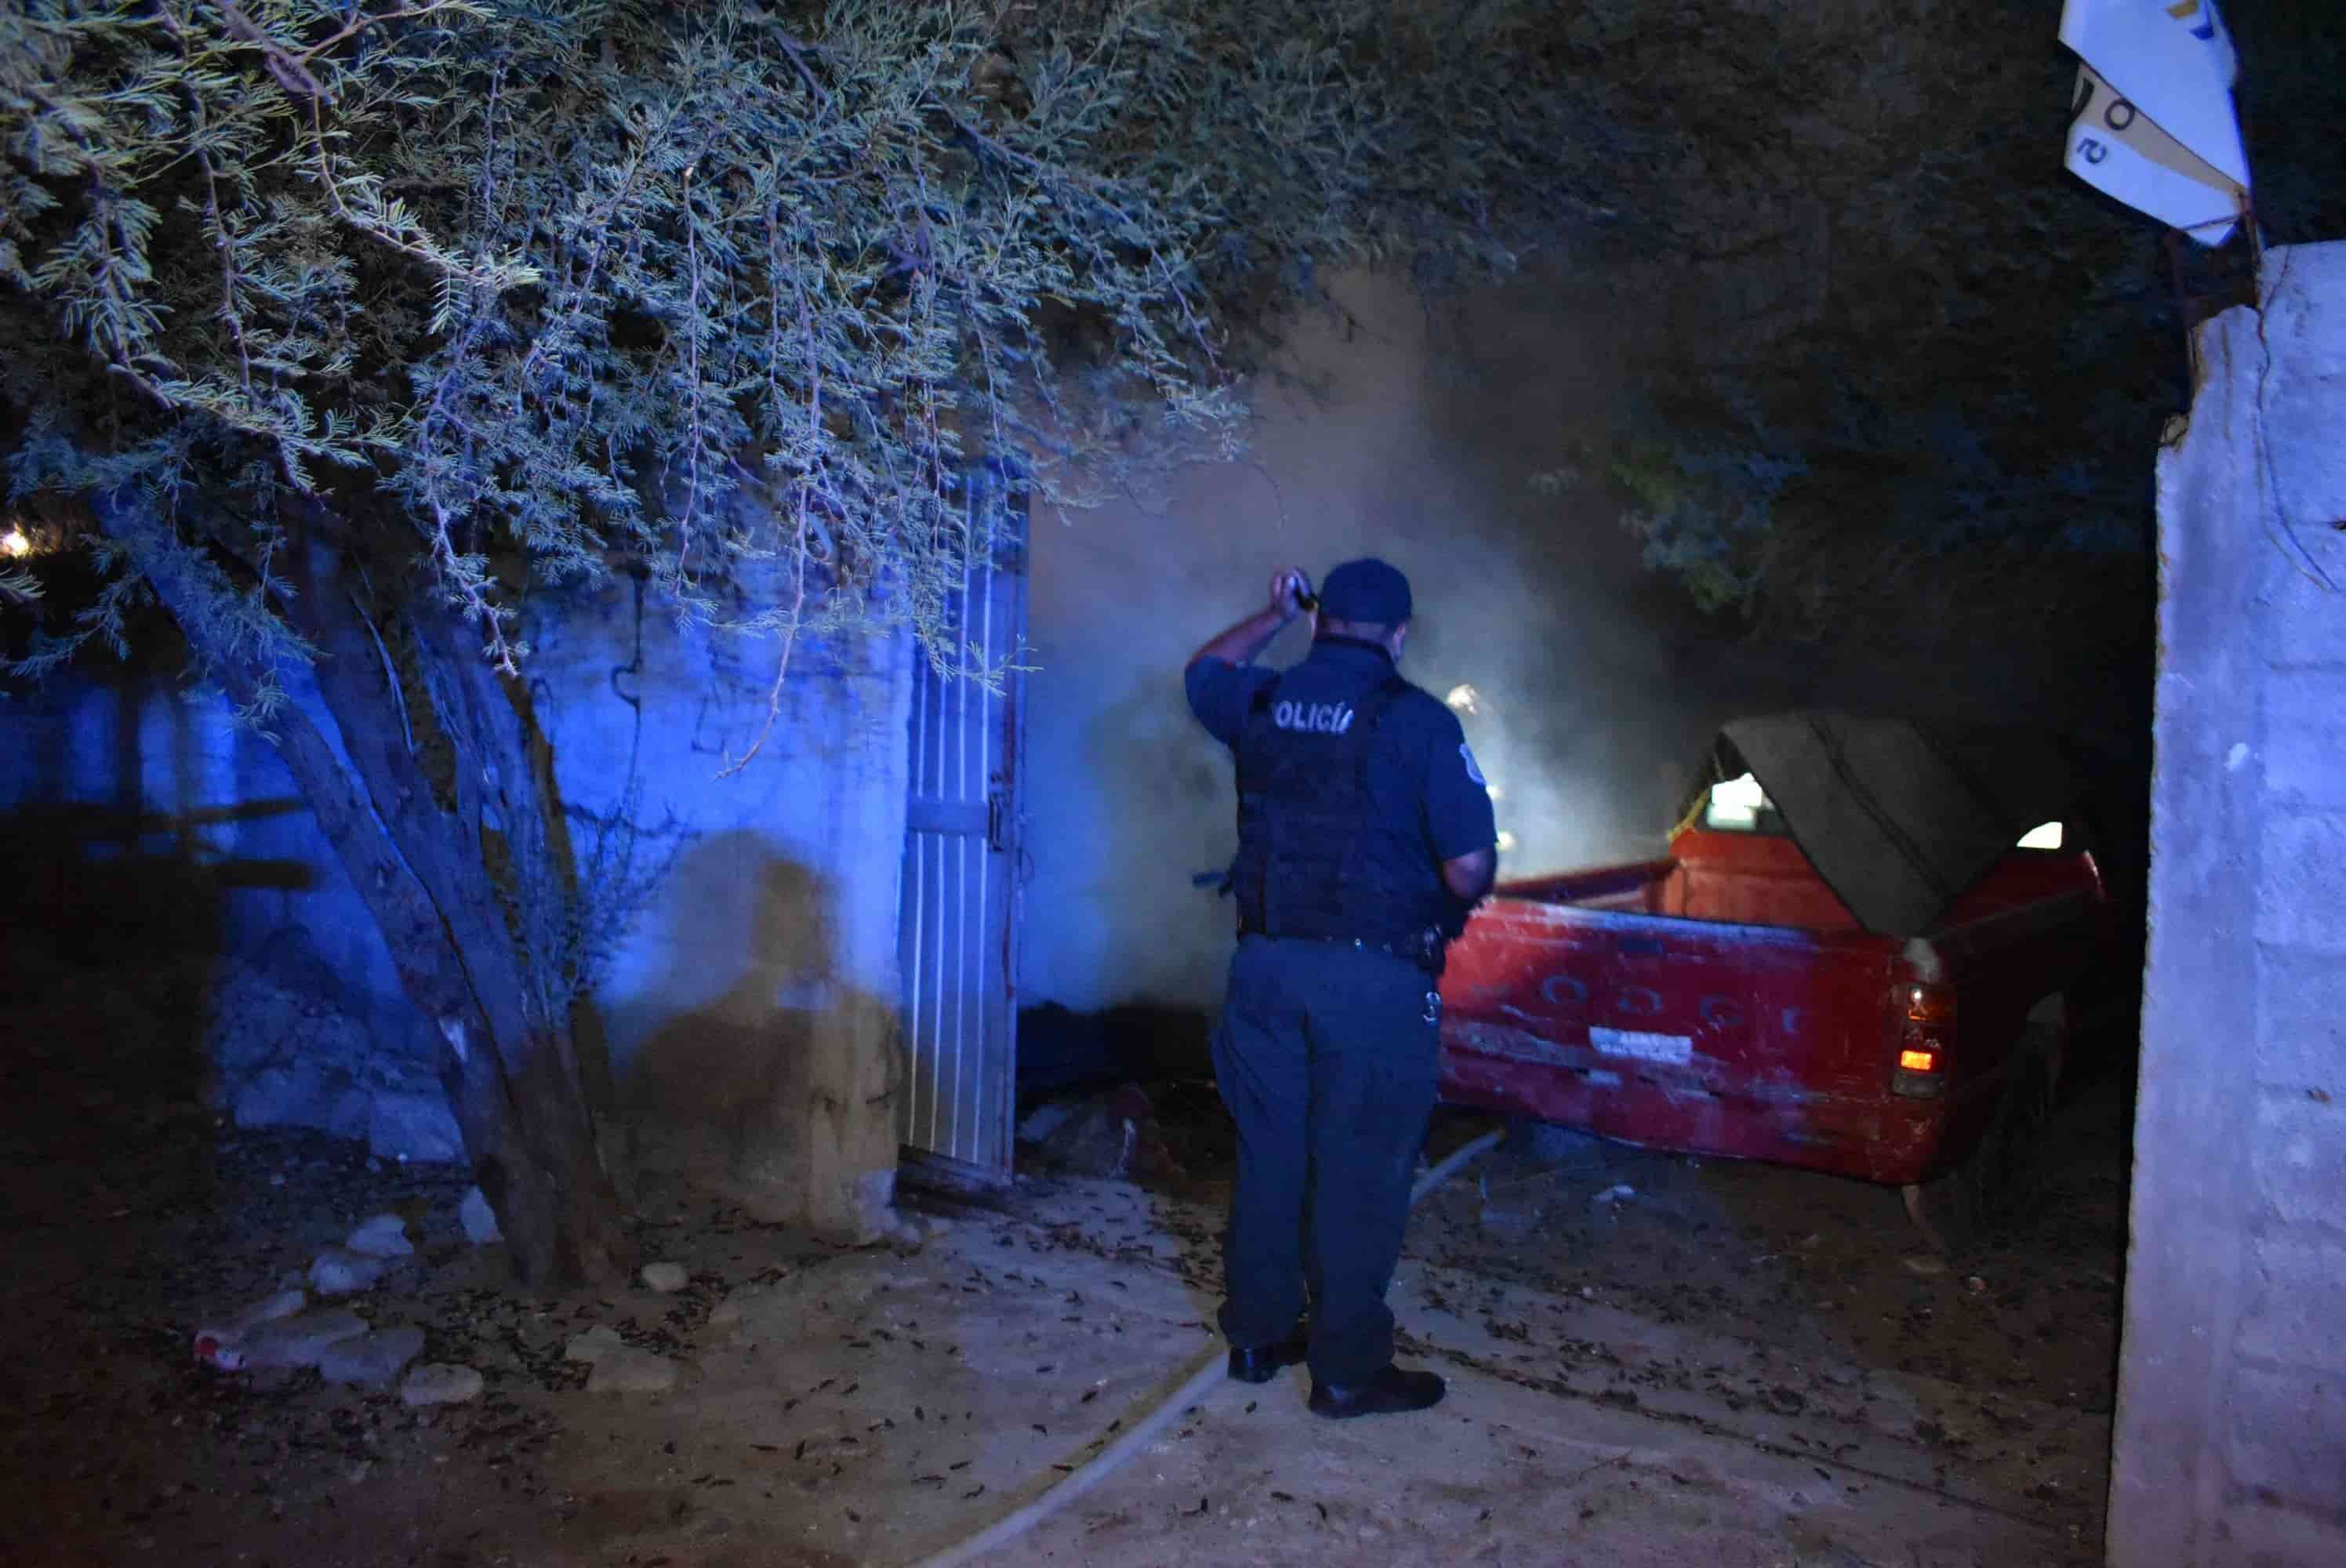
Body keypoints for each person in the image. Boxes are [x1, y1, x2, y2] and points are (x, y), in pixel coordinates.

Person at [1184, 557, 1498, 1417]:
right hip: (1374, 979)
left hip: (1265, 970)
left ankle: (1255, 1336)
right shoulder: (1419, 721)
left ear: (1320, 623)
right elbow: (1469, 866)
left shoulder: (1263, 699)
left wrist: (1269, 611)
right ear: (1398, 635)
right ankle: (1348, 1368)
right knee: (1361, 1170)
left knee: (1270, 1156)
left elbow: (1202, 671)